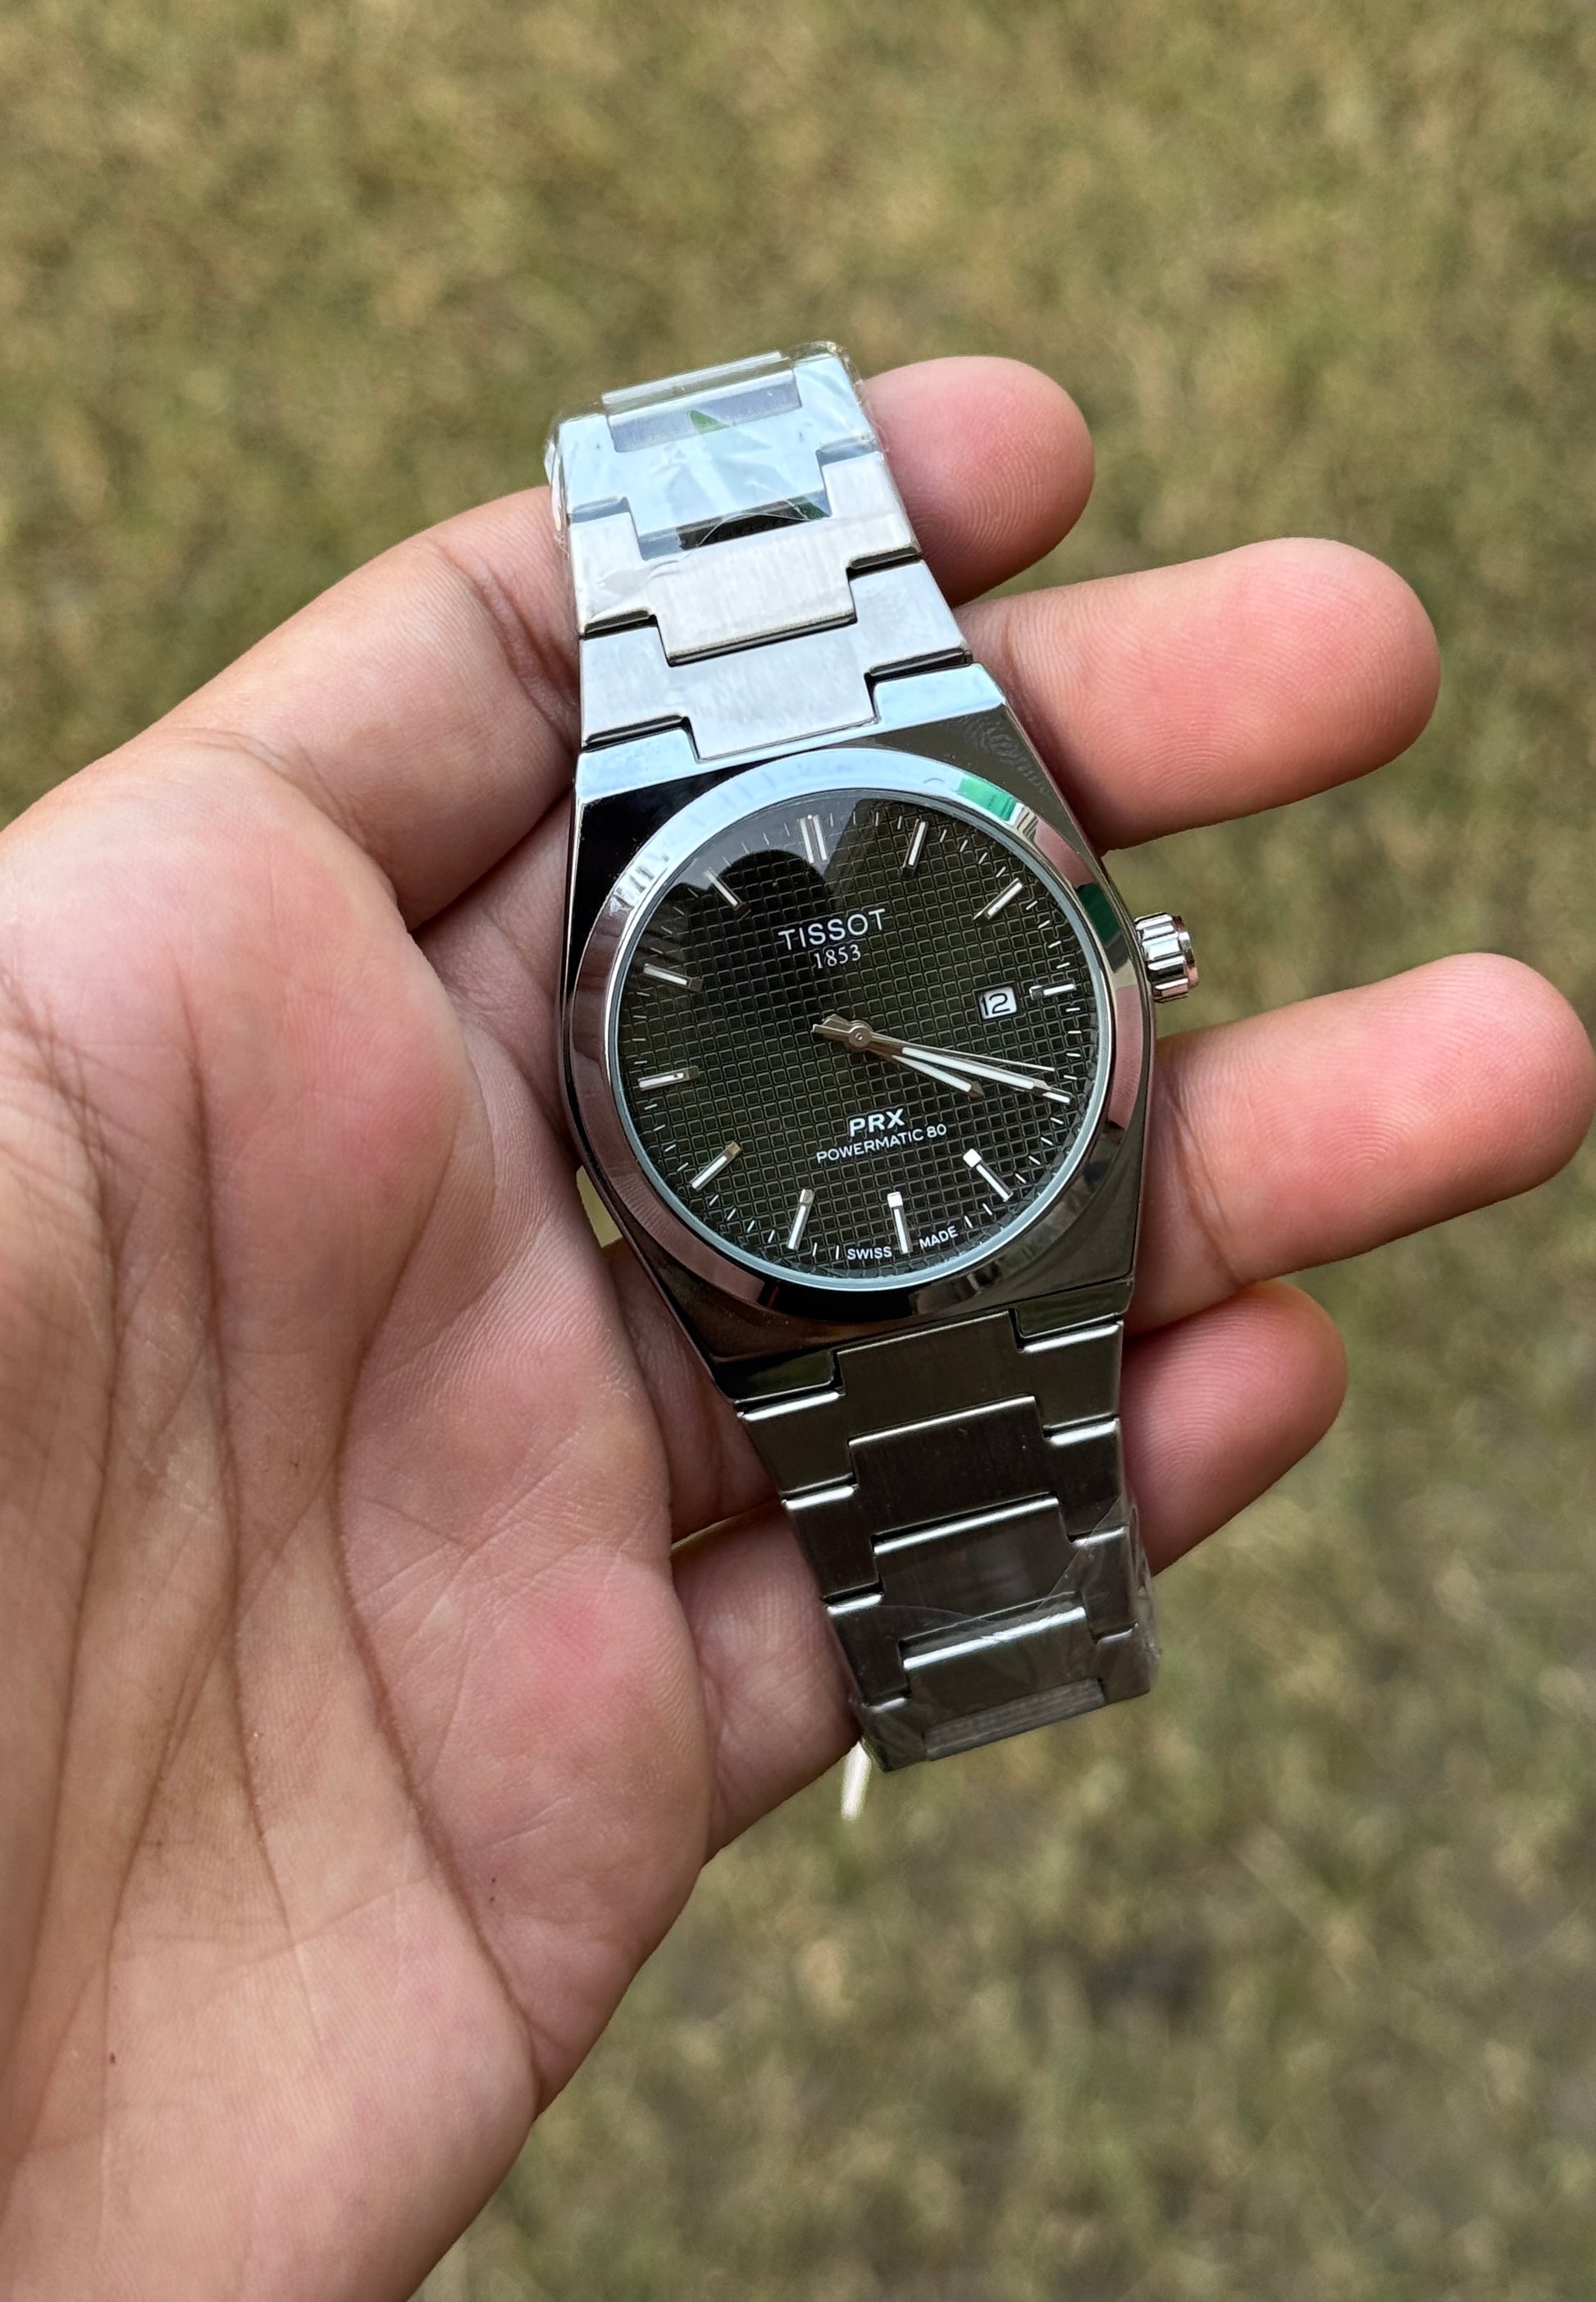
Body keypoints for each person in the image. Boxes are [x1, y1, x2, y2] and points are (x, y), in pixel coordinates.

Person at [0, 355, 1587, 2299]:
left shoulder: (996, 928)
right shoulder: (669, 1005)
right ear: (601, 1101)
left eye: (1119, 959)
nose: (856, 1036)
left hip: (955, 1195)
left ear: (1130, 970)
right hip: (843, 1231)